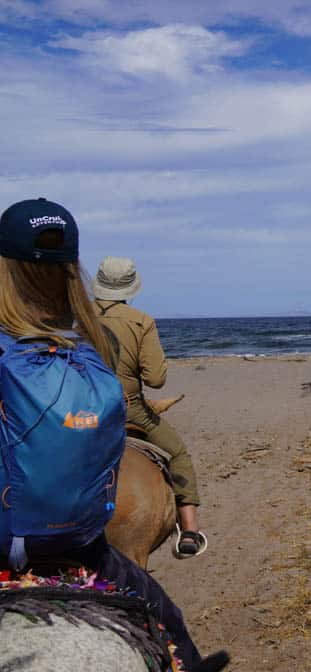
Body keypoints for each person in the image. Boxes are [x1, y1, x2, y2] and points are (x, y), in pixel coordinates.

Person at [0, 197, 226, 670]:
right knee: (170, 628)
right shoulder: (100, 336)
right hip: (82, 539)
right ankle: (190, 530)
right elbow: (156, 378)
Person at [94, 256, 207, 559]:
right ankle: (189, 530)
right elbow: (156, 379)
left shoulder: (78, 320)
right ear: (130, 288)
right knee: (178, 453)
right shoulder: (141, 321)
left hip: (80, 412)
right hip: (130, 410)